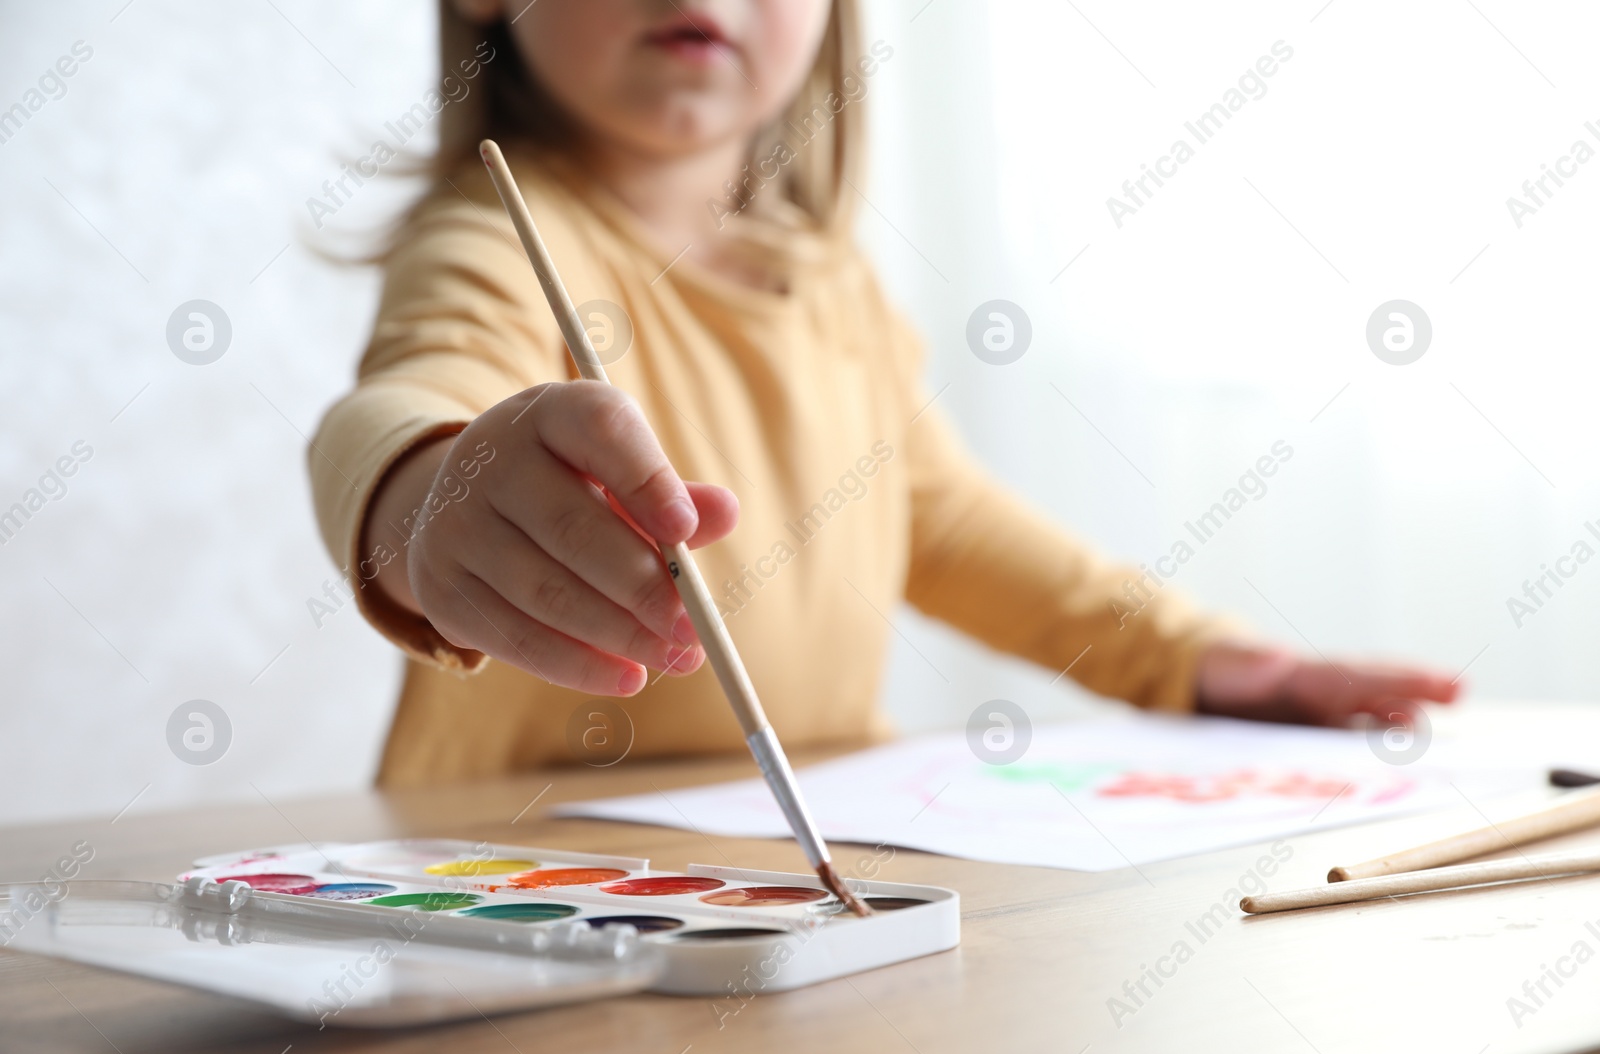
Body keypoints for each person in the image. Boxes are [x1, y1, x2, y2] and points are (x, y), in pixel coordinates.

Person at [309, 0, 1458, 787]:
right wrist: (422, 499)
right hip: (523, 880)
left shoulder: (830, 283)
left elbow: (944, 525)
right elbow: (403, 396)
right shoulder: (493, 240)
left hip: (788, 873)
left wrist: (1202, 660)